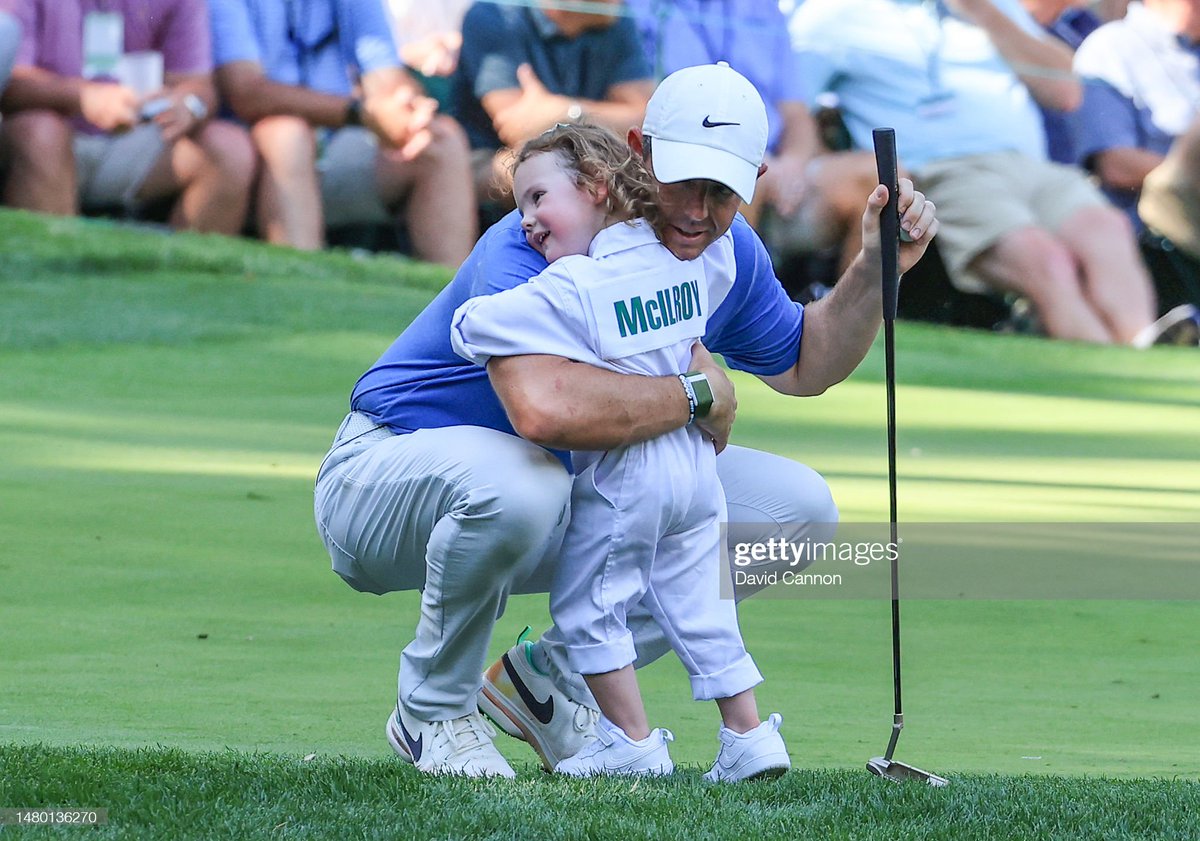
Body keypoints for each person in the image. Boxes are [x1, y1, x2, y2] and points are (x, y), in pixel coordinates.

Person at [314, 62, 939, 778]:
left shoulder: (720, 250)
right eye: (683, 181)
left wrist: (872, 267)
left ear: (756, 176)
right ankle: (433, 708)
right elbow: (541, 407)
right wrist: (699, 393)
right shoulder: (538, 238)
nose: (699, 210)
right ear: (640, 151)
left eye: (722, 190)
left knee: (797, 509)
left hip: (554, 486)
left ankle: (549, 682)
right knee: (525, 483)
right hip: (382, 480)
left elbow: (806, 363)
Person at [450, 123, 790, 780]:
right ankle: (749, 733)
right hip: (696, 473)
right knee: (701, 604)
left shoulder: (578, 281)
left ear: (597, 186)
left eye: (538, 197)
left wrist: (473, 322)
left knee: (589, 605)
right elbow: (705, 301)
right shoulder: (699, 259)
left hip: (629, 474)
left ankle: (630, 742)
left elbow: (477, 325)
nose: (526, 222)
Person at [790, 0, 1160, 346]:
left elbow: (1065, 91)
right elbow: (793, 106)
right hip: (943, 170)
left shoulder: (993, 6)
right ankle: (1116, 369)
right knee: (1046, 261)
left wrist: (982, 12)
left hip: (1033, 166)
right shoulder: (832, 14)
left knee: (1107, 230)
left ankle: (1142, 348)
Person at [209, 0, 477, 266]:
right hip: (247, 159)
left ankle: (454, 298)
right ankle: (303, 290)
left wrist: (406, 107)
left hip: (336, 142)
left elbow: (384, 73)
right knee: (287, 134)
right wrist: (361, 113)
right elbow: (247, 93)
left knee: (441, 140)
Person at [627, 0, 881, 272]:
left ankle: (850, 305)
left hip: (773, 161)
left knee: (882, 177)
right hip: (696, 158)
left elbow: (796, 113)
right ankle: (715, 303)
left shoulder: (763, 7)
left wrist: (792, 164)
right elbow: (639, 102)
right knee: (732, 178)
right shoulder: (638, 6)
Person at [0, 0, 255, 235]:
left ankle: (174, 279)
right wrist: (84, 97)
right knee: (39, 132)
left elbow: (198, 85)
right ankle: (54, 272)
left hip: (135, 137)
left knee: (229, 149)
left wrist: (187, 105)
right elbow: (8, 80)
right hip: (47, 136)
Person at [451, 0, 653, 206]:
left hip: (592, 153)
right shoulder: (493, 15)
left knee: (644, 165)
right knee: (572, 172)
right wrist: (613, 118)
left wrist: (567, 113)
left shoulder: (614, 16)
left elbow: (648, 120)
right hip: (493, 160)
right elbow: (519, 128)